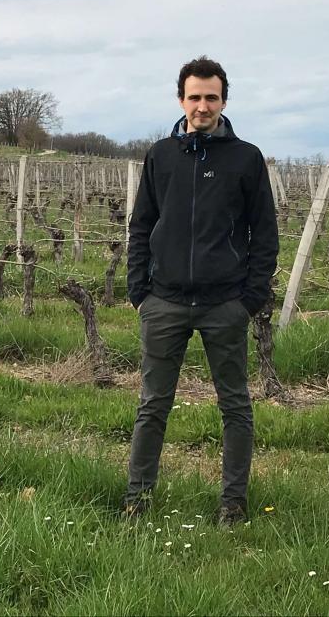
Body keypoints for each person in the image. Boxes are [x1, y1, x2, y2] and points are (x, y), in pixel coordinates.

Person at [123, 55, 279, 525]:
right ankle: (137, 500)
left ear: (224, 101)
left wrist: (248, 301)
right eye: (194, 97)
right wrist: (139, 292)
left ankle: (233, 504)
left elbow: (264, 235)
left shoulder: (246, 159)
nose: (202, 106)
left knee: (235, 405)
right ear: (180, 100)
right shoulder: (161, 156)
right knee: (152, 405)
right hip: (164, 301)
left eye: (211, 97)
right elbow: (141, 224)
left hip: (223, 305)